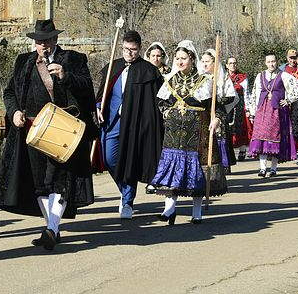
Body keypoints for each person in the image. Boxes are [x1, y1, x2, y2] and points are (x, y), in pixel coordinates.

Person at [0, 19, 97, 250]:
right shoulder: (24, 62)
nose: (43, 46)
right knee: (38, 181)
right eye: (39, 42)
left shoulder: (74, 59)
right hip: (31, 131)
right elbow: (10, 92)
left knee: (59, 180)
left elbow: (88, 89)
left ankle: (51, 229)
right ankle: (52, 227)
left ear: (55, 40)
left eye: (47, 41)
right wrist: (14, 111)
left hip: (61, 129)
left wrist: (65, 76)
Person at [150, 41, 223, 223]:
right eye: (177, 59)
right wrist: (166, 111)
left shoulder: (205, 81)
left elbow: (217, 107)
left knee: (196, 172)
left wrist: (216, 119)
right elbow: (161, 102)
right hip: (174, 134)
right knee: (173, 169)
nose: (180, 62)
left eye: (183, 58)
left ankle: (196, 212)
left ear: (192, 58)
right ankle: (169, 209)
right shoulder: (171, 81)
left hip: (197, 133)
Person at [94, 30, 163, 220]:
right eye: (125, 49)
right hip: (111, 122)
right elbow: (102, 93)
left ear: (139, 49)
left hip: (134, 124)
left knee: (130, 161)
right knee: (109, 159)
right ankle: (126, 189)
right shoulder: (112, 68)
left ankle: (127, 201)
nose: (128, 53)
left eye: (132, 50)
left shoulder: (149, 71)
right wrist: (98, 106)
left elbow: (156, 101)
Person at [248, 53, 298, 177]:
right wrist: (252, 112)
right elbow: (254, 93)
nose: (271, 64)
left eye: (273, 61)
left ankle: (273, 169)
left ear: (276, 62)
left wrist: (288, 100)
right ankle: (262, 168)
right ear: (265, 63)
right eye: (268, 62)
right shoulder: (260, 76)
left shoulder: (283, 75)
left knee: (275, 139)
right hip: (262, 110)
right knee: (261, 138)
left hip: (277, 111)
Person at [226, 57, 253, 160]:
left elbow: (247, 94)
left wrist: (248, 109)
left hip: (240, 105)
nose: (233, 65)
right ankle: (229, 151)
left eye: (234, 63)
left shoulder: (242, 77)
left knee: (241, 127)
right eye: (230, 63)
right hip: (228, 105)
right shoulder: (223, 77)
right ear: (227, 65)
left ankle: (242, 150)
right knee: (228, 128)